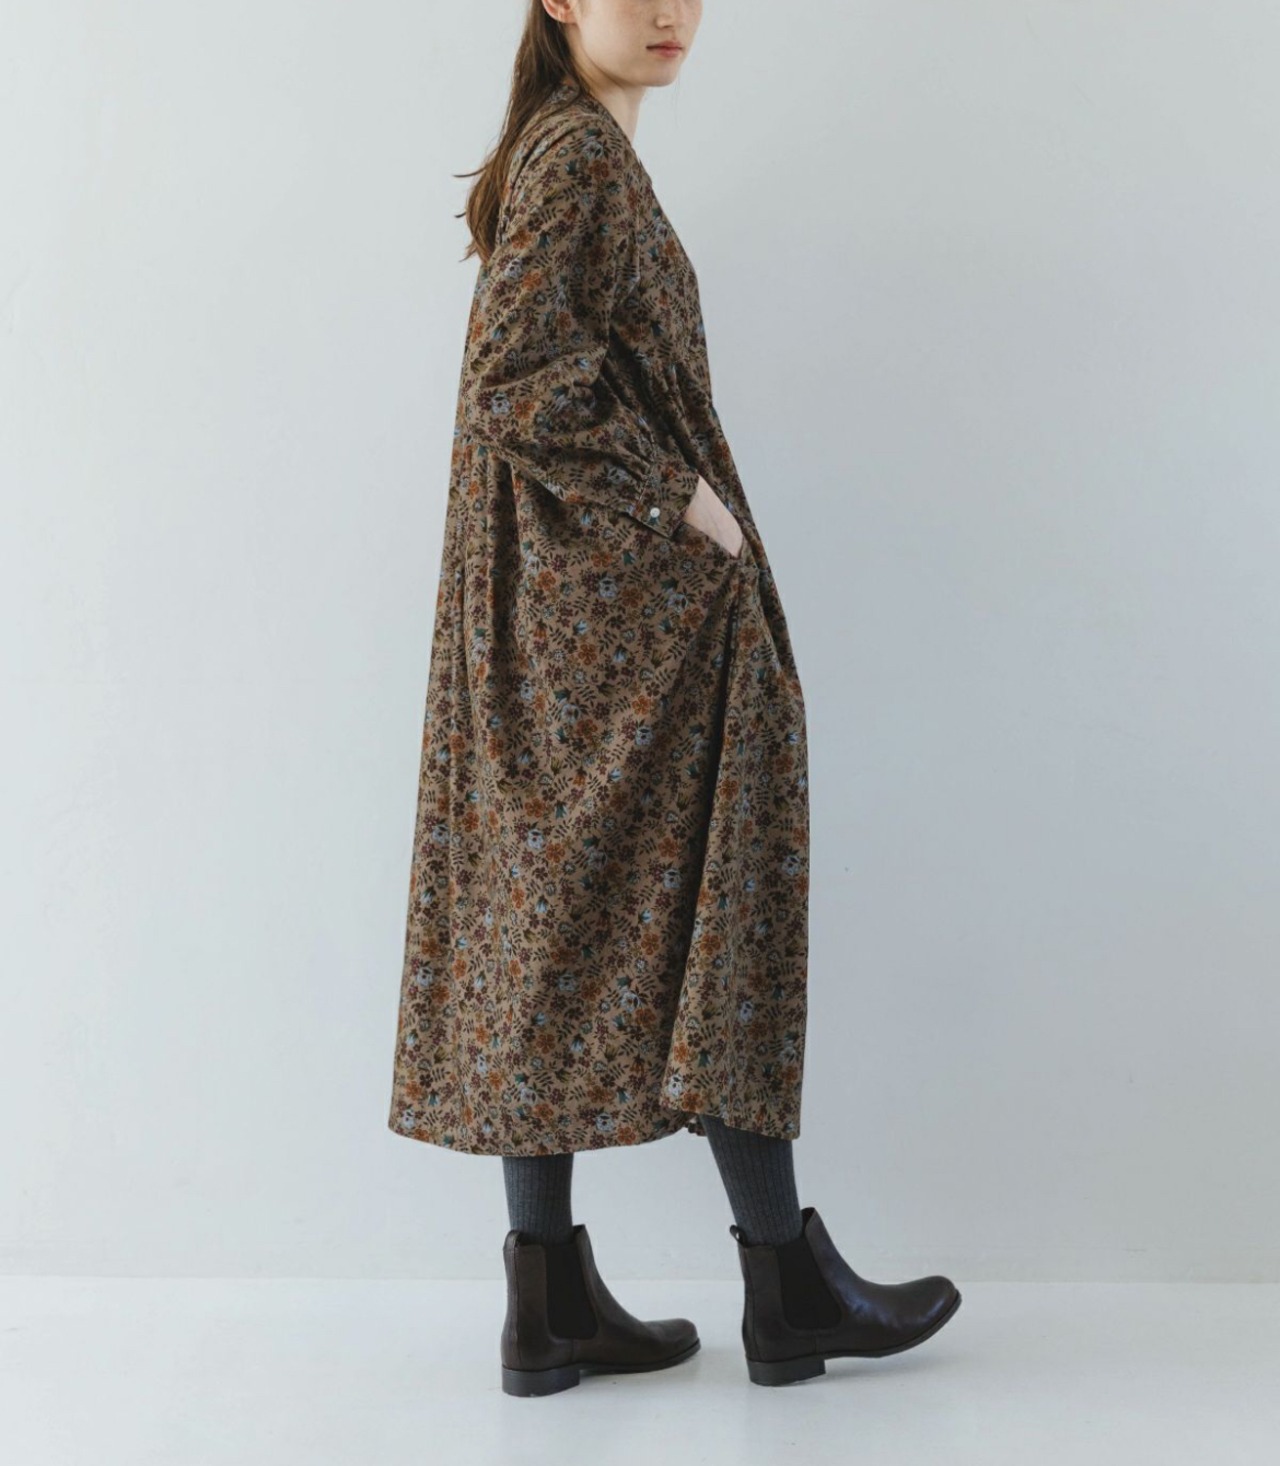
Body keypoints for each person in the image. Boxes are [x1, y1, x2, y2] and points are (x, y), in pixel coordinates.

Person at [387, 0, 961, 1394]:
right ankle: (783, 1283)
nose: (667, 11)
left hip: (566, 631)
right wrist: (683, 501)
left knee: (550, 925)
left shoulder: (560, 149)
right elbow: (515, 377)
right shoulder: (578, 157)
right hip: (622, 624)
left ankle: (548, 1300)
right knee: (722, 902)